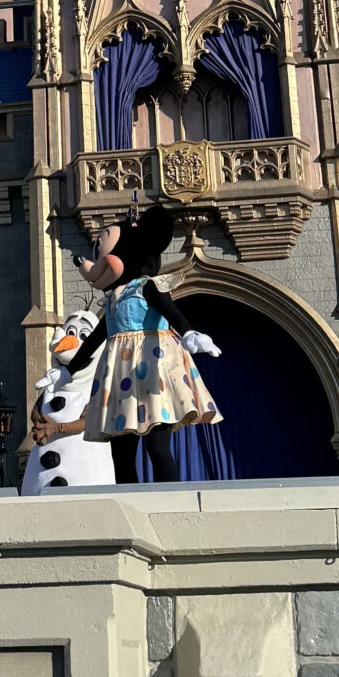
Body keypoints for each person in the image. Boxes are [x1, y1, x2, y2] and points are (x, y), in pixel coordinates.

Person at [72, 204, 221, 484]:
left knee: (157, 447)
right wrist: (69, 369)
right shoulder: (114, 298)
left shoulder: (146, 287)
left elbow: (170, 311)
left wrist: (189, 334)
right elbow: (96, 337)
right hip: (120, 378)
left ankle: (170, 504)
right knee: (122, 452)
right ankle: (131, 502)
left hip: (152, 370)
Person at [22, 306, 117, 494]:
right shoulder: (52, 386)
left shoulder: (93, 389)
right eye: (70, 332)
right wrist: (39, 422)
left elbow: (88, 421)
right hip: (43, 468)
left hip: (83, 466)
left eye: (82, 335)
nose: (71, 341)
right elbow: (38, 408)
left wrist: (56, 428)